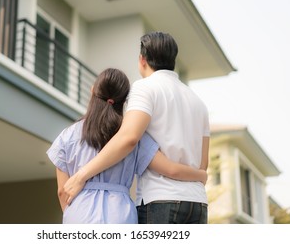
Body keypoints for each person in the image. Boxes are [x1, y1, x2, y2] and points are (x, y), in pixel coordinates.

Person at [63, 32, 210, 224]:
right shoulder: (199, 103)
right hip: (198, 203)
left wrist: (81, 175)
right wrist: (201, 176)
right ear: (173, 60)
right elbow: (203, 164)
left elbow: (129, 138)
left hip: (161, 200)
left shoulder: (144, 88)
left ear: (142, 60)